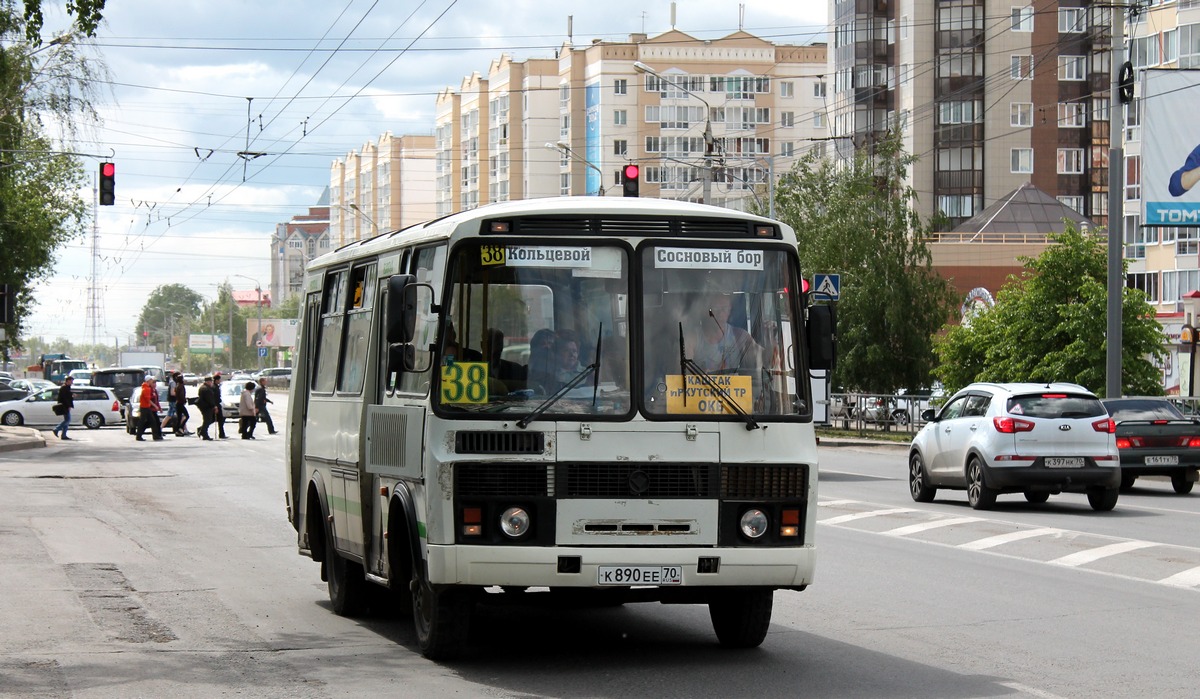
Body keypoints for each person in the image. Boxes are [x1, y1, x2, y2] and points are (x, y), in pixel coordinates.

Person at [526, 328, 557, 393]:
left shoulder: (560, 374)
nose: (547, 347)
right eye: (543, 344)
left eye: (550, 344)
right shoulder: (524, 373)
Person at [135, 377, 164, 441]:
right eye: (151, 381)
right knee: (142, 422)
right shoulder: (146, 389)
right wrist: (155, 406)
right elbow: (148, 400)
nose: (153, 382)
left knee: (152, 421)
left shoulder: (147, 388)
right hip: (144, 407)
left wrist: (158, 406)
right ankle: (139, 436)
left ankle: (155, 436)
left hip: (147, 407)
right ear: (148, 381)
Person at [52, 375, 74, 440]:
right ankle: (56, 429)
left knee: (66, 420)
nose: (72, 382)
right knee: (67, 420)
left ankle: (64, 435)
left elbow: (68, 397)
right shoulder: (64, 388)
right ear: (68, 381)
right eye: (71, 381)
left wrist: (72, 396)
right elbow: (65, 398)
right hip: (64, 406)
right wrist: (69, 406)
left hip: (65, 406)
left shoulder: (67, 387)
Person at [195, 376, 216, 441]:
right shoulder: (206, 389)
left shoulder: (204, 388)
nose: (211, 383)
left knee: (208, 420)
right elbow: (209, 399)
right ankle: (203, 433)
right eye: (210, 381)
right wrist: (214, 406)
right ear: (208, 382)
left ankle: (202, 430)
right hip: (206, 406)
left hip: (204, 406)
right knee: (207, 420)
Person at [172, 371, 191, 436]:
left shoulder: (177, 386)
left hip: (178, 403)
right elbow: (181, 395)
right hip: (180, 403)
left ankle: (178, 430)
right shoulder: (181, 386)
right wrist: (184, 400)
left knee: (179, 418)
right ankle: (180, 428)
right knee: (187, 416)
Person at [212, 373, 228, 439]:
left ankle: (222, 434)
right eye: (219, 380)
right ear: (216, 380)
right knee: (218, 419)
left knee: (220, 419)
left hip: (218, 404)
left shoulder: (216, 386)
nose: (220, 381)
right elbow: (214, 397)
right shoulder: (214, 387)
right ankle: (221, 434)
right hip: (216, 405)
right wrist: (215, 406)